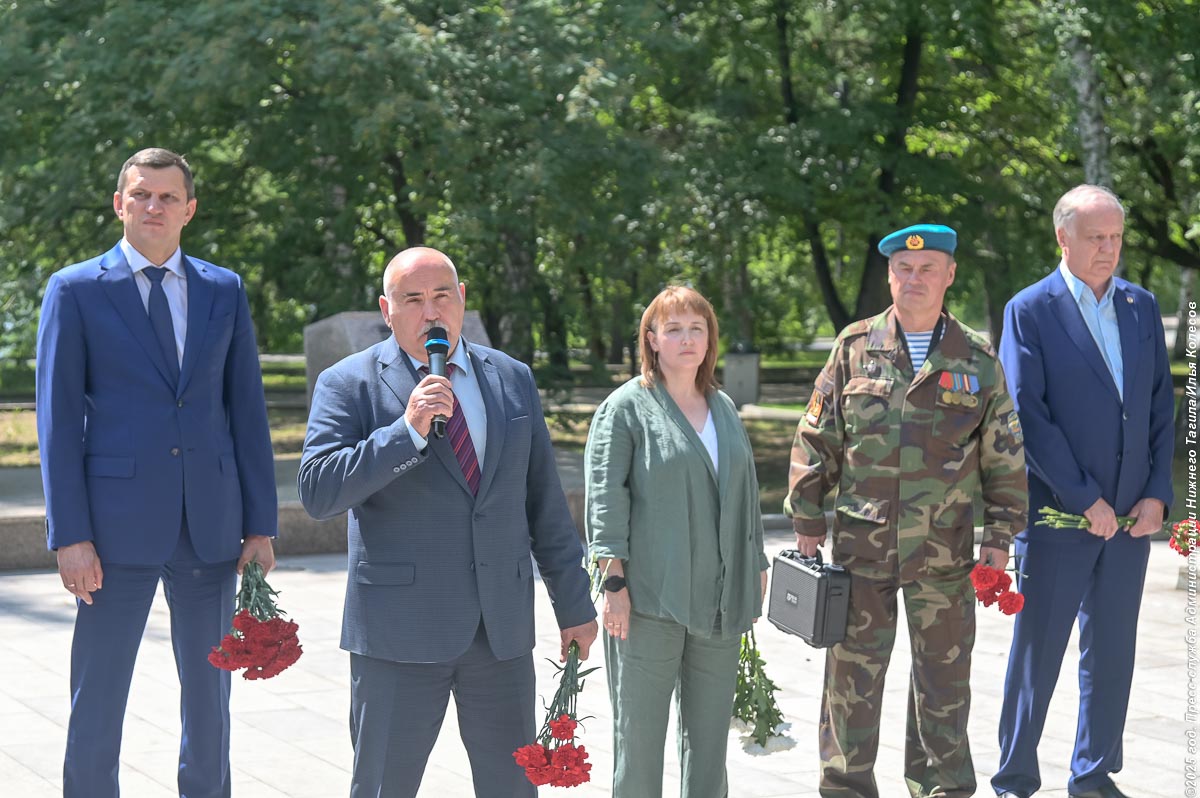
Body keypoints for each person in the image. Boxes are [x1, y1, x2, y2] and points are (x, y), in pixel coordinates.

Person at [298, 246, 597, 797]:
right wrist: (405, 432)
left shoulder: (511, 378)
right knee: (384, 787)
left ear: (461, 299)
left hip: (499, 633)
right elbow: (318, 491)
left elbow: (543, 502)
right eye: (413, 299)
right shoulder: (349, 382)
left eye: (442, 295)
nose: (431, 311)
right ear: (386, 310)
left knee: (512, 789)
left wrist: (574, 604)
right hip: (398, 635)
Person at [36, 147, 278, 798]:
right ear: (120, 203)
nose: (154, 206)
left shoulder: (223, 290)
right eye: (141, 194)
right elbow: (57, 423)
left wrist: (260, 524)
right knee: (98, 696)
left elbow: (246, 410)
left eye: (168, 197)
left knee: (210, 700)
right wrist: (70, 535)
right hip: (111, 532)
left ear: (189, 210)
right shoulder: (76, 290)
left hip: (210, 525)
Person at [785, 224, 1028, 798]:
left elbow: (1004, 454)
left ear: (949, 275)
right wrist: (807, 518)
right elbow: (816, 436)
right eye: (904, 269)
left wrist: (1000, 535)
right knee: (851, 680)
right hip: (861, 550)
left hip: (944, 552)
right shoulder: (853, 347)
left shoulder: (977, 358)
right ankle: (845, 788)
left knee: (944, 684)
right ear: (891, 275)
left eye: (927, 269)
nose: (914, 278)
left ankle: (942, 788)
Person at [992, 186, 1174, 798]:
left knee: (1113, 653)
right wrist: (1082, 498)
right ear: (1062, 238)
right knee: (1037, 653)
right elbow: (1027, 414)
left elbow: (1159, 406)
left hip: (1131, 521)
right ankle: (1015, 778)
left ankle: (1094, 775)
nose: (1108, 248)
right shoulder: (1030, 309)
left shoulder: (1141, 306)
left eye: (1116, 237)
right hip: (1058, 519)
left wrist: (1157, 493)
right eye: (1096, 237)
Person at [585, 285, 769, 798]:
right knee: (639, 742)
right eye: (673, 329)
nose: (687, 339)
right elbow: (605, 500)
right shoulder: (626, 408)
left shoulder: (724, 406)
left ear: (710, 339)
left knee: (709, 745)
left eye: (696, 328)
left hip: (718, 601)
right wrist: (613, 585)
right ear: (651, 339)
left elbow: (747, 493)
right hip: (648, 601)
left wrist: (755, 564)